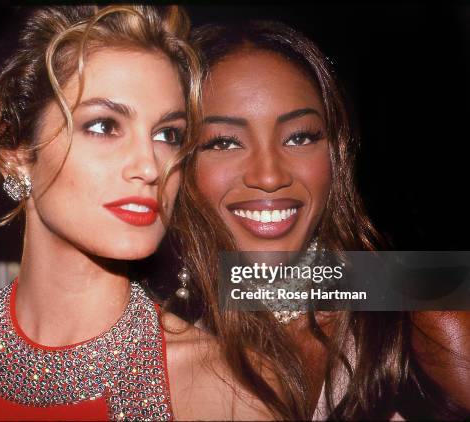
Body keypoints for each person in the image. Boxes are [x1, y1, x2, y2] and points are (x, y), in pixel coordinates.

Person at [0, 6, 273, 421]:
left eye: (168, 135)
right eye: (104, 126)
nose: (150, 167)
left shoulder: (231, 393)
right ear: (17, 156)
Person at [162, 20, 469, 419]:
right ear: (176, 163)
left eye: (299, 137)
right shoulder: (134, 329)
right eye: (223, 142)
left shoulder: (420, 300)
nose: (269, 176)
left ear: (335, 155)